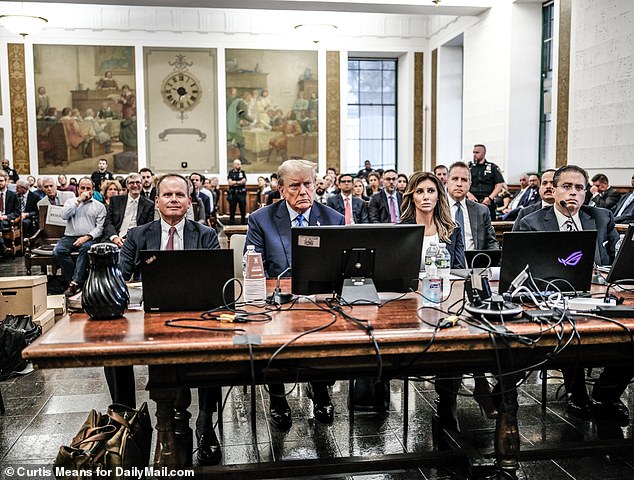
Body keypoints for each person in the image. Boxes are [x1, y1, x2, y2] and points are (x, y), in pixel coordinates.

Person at [114, 174, 222, 465]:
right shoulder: (138, 235)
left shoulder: (205, 235)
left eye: (180, 194)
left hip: (195, 315)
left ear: (189, 201)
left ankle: (206, 420)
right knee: (112, 349)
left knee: (215, 353)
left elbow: (217, 281)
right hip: (150, 316)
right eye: (167, 195)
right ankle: (124, 417)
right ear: (157, 201)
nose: (173, 199)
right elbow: (121, 277)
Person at [515, 165, 631, 425]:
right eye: (566, 187)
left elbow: (614, 261)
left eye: (579, 188)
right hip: (553, 298)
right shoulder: (531, 221)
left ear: (587, 192)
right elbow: (521, 270)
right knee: (570, 327)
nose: (573, 193)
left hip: (599, 294)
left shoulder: (601, 217)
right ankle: (576, 391)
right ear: (553, 190)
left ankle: (606, 393)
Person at [245, 159, 344, 429]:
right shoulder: (261, 220)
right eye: (295, 186)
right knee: (268, 337)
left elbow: (341, 267)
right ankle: (278, 398)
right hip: (276, 303)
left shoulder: (333, 218)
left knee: (328, 334)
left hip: (320, 302)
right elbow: (254, 265)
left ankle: (320, 390)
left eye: (308, 184)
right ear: (280, 189)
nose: (303, 192)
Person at [53, 177, 106, 297]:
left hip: (89, 238)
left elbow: (100, 228)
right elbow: (64, 216)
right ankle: (76, 281)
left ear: (93, 190)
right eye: (82, 188)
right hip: (70, 236)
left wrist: (87, 237)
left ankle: (74, 283)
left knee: (85, 249)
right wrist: (78, 201)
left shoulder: (99, 206)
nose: (85, 191)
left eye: (88, 188)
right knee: (58, 251)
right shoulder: (71, 202)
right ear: (78, 189)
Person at [446, 162, 499, 251]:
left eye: (464, 180)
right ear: (447, 182)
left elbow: (491, 242)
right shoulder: (436, 208)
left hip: (475, 262)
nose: (459, 184)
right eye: (455, 179)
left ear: (470, 184)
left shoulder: (481, 210)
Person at [102, 174, 154, 247]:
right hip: (115, 238)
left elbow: (148, 227)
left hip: (137, 240)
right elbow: (108, 222)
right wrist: (115, 237)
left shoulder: (149, 204)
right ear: (127, 185)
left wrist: (134, 239)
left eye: (138, 182)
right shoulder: (115, 201)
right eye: (131, 183)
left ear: (142, 185)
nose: (135, 185)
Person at [468, 144, 505, 218]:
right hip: (472, 201)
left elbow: (499, 184)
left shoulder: (492, 167)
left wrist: (490, 198)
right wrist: (469, 195)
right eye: (473, 152)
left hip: (487, 202)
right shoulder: (469, 168)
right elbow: (463, 183)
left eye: (477, 152)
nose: (474, 155)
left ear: (484, 153)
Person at [0, 172, 20, 255]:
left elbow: (17, 212)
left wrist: (6, 217)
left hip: (7, 221)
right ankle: (2, 246)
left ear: (6, 182)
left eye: (1, 181)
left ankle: (2, 247)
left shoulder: (13, 195)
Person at [227, 159, 247, 225]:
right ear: (234, 165)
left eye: (240, 164)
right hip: (233, 194)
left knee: (243, 209)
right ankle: (231, 223)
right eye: (238, 164)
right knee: (232, 209)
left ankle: (243, 223)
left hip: (241, 193)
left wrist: (235, 182)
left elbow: (243, 181)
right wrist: (239, 182)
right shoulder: (231, 172)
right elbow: (230, 183)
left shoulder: (242, 172)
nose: (239, 165)